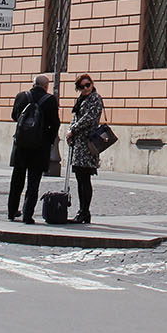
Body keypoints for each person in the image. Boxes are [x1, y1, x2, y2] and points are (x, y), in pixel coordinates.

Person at [8, 74, 60, 222]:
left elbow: (14, 116)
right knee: (33, 182)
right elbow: (55, 123)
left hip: (21, 145)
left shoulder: (21, 96)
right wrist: (48, 141)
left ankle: (11, 212)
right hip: (39, 147)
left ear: (33, 83)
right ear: (46, 86)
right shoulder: (50, 100)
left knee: (16, 180)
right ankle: (27, 215)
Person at [66, 74, 104, 223]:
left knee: (85, 178)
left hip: (88, 144)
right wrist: (71, 133)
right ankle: (82, 211)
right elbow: (75, 117)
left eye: (88, 85)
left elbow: (89, 118)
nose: (86, 88)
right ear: (78, 88)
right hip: (79, 144)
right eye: (82, 86)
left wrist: (73, 130)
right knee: (80, 178)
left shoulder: (95, 98)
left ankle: (85, 211)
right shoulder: (80, 99)